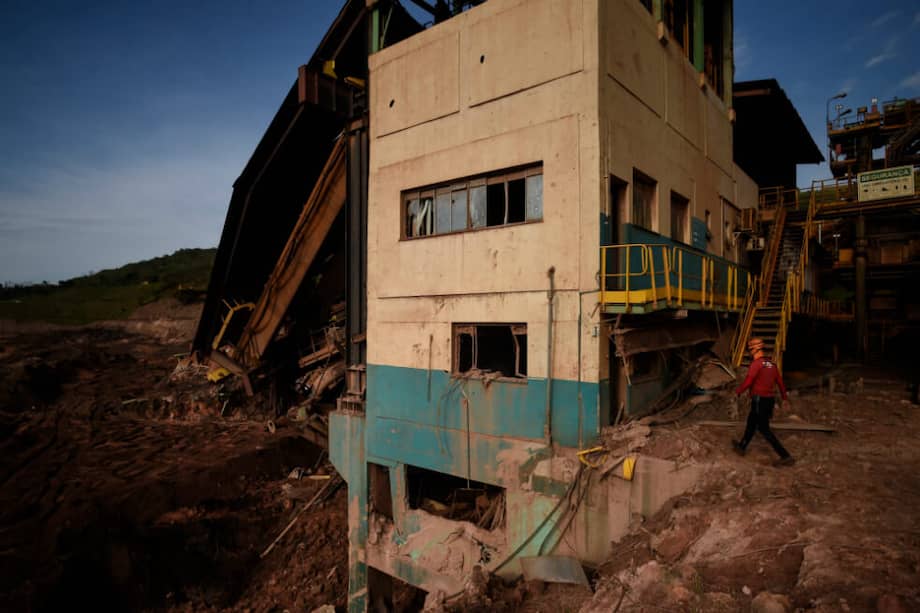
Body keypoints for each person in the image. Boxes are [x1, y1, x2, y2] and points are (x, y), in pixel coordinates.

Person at [733, 338, 795, 466]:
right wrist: (784, 398)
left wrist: (738, 391)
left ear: (754, 350)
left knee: (764, 429)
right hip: (768, 400)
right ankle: (742, 446)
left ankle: (785, 456)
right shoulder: (772, 365)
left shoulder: (756, 364)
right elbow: (781, 384)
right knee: (751, 423)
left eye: (750, 350)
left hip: (759, 400)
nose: (750, 353)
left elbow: (748, 381)